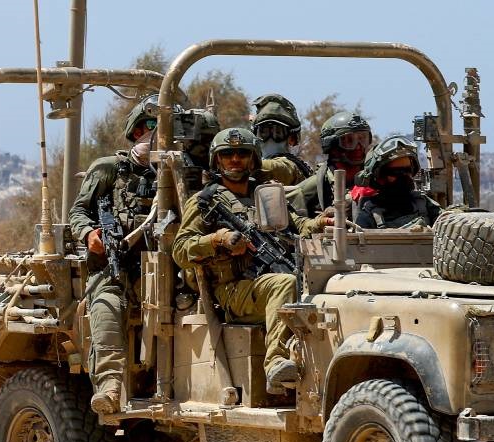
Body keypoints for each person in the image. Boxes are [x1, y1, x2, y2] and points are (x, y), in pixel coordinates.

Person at [173, 128, 332, 394]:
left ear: (253, 159)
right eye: (227, 155)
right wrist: (217, 240)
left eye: (242, 154)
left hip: (271, 277)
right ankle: (275, 364)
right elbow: (180, 249)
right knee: (284, 284)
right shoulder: (204, 201)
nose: (235, 160)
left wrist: (321, 222)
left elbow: (298, 225)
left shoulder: (267, 196)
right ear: (217, 160)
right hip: (233, 290)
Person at [68, 93, 161, 415]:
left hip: (164, 275)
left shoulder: (176, 175)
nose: (155, 134)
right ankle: (109, 388)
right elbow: (78, 212)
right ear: (136, 132)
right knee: (106, 309)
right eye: (150, 126)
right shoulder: (109, 169)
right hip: (114, 271)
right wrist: (90, 234)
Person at [287, 112, 371, 217]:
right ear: (332, 145)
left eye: (363, 139)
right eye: (350, 140)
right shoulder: (315, 186)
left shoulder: (375, 180)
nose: (359, 147)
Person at [351, 135, 443, 229]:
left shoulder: (423, 203)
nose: (404, 176)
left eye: (408, 170)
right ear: (380, 177)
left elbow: (446, 220)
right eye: (396, 172)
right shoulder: (370, 214)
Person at [251, 93, 312, 185]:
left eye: (278, 133)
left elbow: (274, 168)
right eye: (264, 133)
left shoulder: (290, 166)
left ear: (291, 139)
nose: (270, 139)